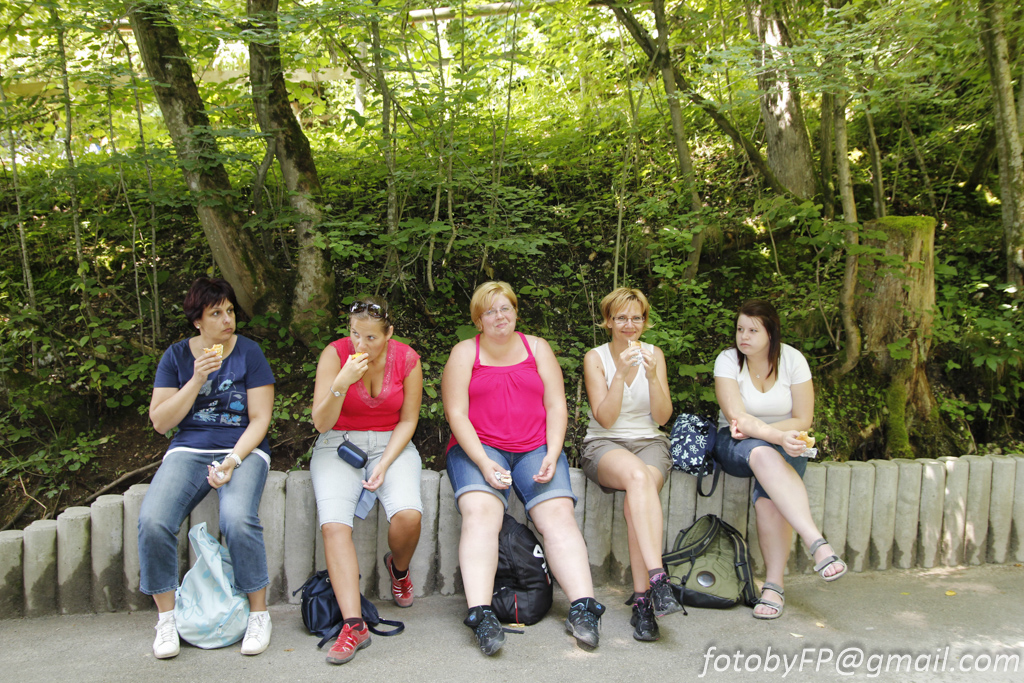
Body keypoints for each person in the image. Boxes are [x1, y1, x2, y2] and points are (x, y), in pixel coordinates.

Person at [441, 281, 605, 656]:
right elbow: (456, 414)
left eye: (505, 308)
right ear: (478, 320)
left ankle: (584, 607)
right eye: (490, 311)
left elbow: (556, 406)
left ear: (515, 311)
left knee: (557, 514)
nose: (499, 316)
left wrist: (553, 451)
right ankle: (481, 615)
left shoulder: (538, 348)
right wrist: (483, 462)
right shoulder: (465, 352)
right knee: (481, 513)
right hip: (479, 447)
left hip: (535, 447)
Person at [140, 277, 275, 658]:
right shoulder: (177, 357)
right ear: (197, 320)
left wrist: (232, 460)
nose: (227, 320)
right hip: (189, 448)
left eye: (230, 311)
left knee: (237, 519)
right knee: (153, 520)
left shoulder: (249, 352)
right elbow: (161, 422)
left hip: (243, 448)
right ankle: (167, 619)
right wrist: (198, 378)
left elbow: (260, 419)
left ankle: (258, 614)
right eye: (216, 313)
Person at [713, 299, 847, 620]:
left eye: (752, 330)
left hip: (787, 440)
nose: (743, 336)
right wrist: (774, 436)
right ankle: (817, 543)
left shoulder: (793, 360)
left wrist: (773, 434)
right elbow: (737, 419)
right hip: (737, 443)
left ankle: (773, 586)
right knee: (761, 451)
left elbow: (803, 418)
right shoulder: (728, 360)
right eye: (740, 329)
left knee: (769, 501)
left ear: (771, 333)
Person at [309, 296, 423, 665]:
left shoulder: (407, 359)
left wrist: (385, 462)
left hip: (392, 442)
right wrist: (341, 383)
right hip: (338, 442)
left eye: (371, 337)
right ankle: (353, 624)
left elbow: (409, 420)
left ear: (389, 334)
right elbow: (321, 423)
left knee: (408, 515)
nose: (361, 344)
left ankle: (399, 570)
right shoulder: (334, 355)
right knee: (334, 525)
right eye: (355, 335)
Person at [581, 288, 681, 642]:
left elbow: (662, 417)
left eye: (636, 318)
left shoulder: (655, 354)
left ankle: (644, 600)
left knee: (639, 490)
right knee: (639, 477)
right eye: (621, 317)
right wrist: (621, 374)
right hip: (604, 444)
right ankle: (657, 580)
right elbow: (605, 419)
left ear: (644, 322)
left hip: (650, 442)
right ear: (608, 321)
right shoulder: (595, 358)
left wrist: (652, 377)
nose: (629, 325)